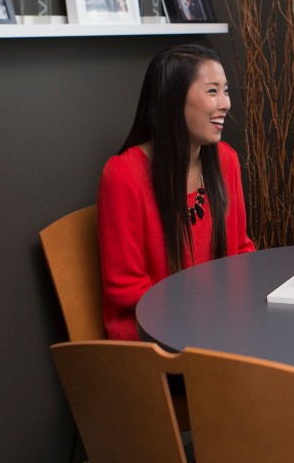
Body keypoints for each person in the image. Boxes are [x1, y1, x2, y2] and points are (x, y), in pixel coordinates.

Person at [98, 44, 256, 340]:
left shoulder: (226, 161)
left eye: (226, 90)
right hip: (152, 337)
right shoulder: (123, 175)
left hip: (217, 327)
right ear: (172, 101)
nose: (225, 104)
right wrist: (207, 318)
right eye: (212, 91)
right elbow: (126, 288)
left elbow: (240, 252)